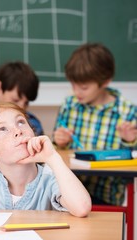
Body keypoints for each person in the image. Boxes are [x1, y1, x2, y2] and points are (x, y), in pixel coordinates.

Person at [53, 42, 137, 206]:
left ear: (105, 82)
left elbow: (132, 161)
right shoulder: (69, 106)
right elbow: (56, 153)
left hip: (105, 196)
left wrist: (129, 141)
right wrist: (59, 142)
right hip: (68, 194)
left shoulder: (126, 112)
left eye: (83, 87)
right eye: (73, 85)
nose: (76, 92)